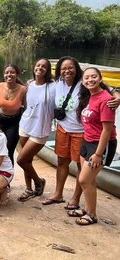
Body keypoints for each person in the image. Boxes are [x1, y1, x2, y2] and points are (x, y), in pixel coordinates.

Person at [42, 56, 120, 208]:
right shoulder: (58, 83)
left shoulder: (84, 82)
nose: (67, 71)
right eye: (63, 68)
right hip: (63, 129)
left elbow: (110, 90)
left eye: (70, 67)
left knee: (80, 166)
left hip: (81, 132)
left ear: (76, 69)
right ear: (59, 71)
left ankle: (75, 199)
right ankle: (58, 194)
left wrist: (117, 98)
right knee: (61, 162)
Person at [67, 67, 117, 225]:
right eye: (87, 78)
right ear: (83, 81)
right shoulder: (90, 96)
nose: (90, 80)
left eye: (94, 77)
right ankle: (87, 209)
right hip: (87, 141)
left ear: (100, 79)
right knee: (89, 180)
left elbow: (108, 130)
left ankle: (92, 215)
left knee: (83, 179)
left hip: (101, 145)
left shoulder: (105, 99)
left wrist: (97, 154)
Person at [17, 59, 55, 201]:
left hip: (40, 128)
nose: (40, 68)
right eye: (38, 65)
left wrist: (113, 93)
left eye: (44, 66)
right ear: (34, 68)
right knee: (28, 160)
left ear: (48, 70)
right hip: (25, 125)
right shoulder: (29, 85)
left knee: (21, 159)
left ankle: (38, 182)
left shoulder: (54, 86)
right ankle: (28, 188)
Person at [0, 64, 27, 165]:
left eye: (12, 72)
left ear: (17, 74)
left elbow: (26, 110)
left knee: (8, 151)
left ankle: (7, 177)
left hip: (14, 123)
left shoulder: (23, 90)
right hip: (0, 120)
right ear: (4, 74)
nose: (9, 74)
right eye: (7, 72)